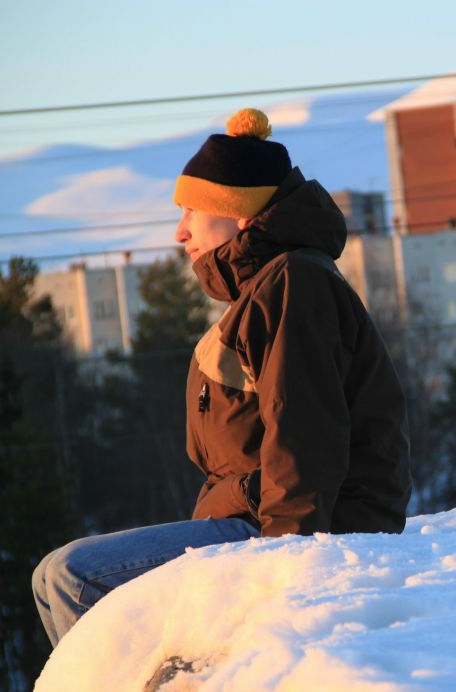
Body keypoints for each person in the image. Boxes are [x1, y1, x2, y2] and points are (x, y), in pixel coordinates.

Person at [32, 109, 411, 646]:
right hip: (258, 519)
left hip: (293, 532)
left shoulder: (292, 284)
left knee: (75, 575)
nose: (179, 231)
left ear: (240, 215)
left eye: (192, 210)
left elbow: (304, 431)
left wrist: (290, 561)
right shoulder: (264, 291)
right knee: (51, 576)